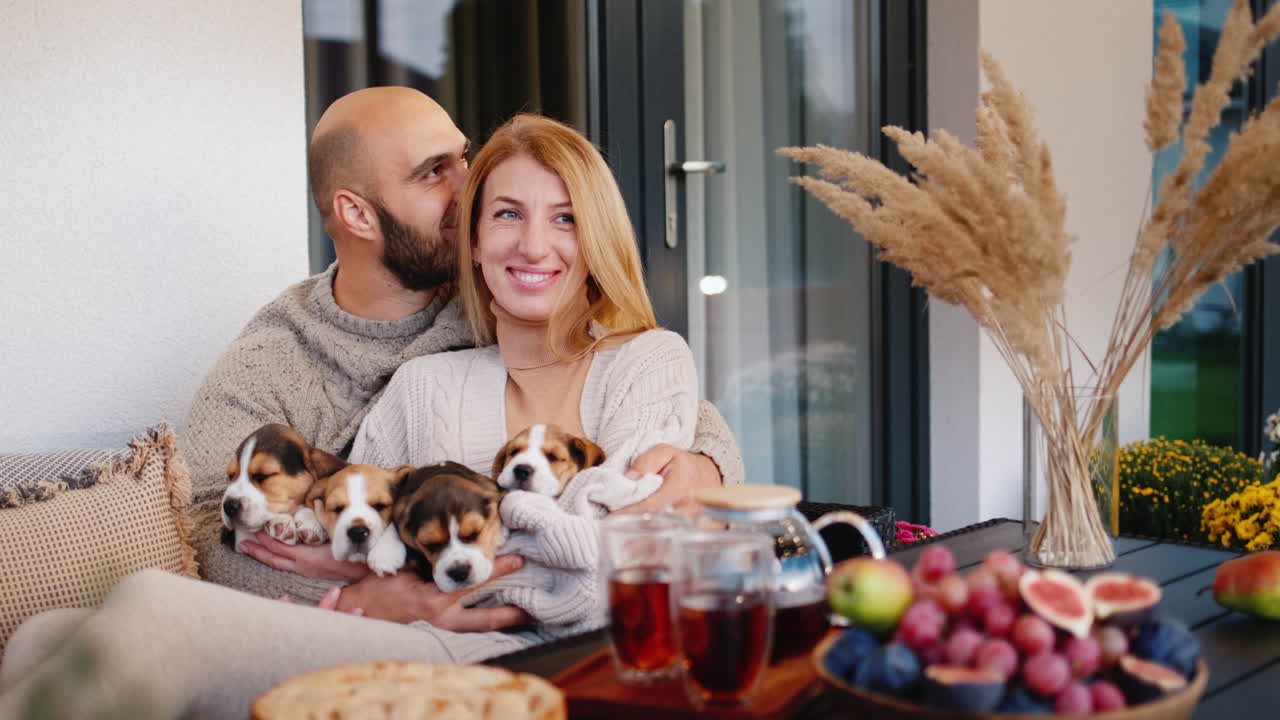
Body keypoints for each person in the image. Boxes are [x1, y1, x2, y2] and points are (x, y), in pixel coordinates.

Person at [181, 87, 746, 625]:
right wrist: (364, 591)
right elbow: (200, 526)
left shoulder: (515, 294)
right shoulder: (280, 361)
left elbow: (652, 407)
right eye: (434, 172)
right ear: (357, 214)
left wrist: (709, 464)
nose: (467, 184)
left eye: (464, 158)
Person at [348, 112, 707, 635]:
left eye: (565, 219)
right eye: (508, 214)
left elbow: (614, 560)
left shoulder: (648, 362)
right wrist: (365, 588)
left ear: (596, 240)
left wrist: (423, 572)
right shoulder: (423, 385)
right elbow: (352, 536)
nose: (534, 246)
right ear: (472, 240)